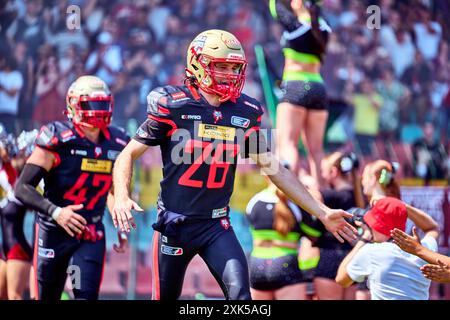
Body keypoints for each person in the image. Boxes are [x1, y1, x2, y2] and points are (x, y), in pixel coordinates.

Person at [111, 29, 357, 300]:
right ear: (197, 64)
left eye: (234, 67)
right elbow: (126, 155)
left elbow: (274, 169)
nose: (229, 73)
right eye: (221, 66)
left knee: (242, 298)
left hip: (216, 225)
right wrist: (121, 196)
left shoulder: (243, 111)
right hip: (175, 222)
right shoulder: (175, 105)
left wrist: (321, 212)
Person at [14, 75, 129, 300]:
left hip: (90, 233)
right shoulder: (58, 138)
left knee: (85, 297)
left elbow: (113, 189)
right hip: (54, 231)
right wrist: (56, 212)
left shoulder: (118, 142)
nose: (98, 110)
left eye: (102, 104)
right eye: (91, 104)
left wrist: (120, 222)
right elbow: (23, 187)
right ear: (73, 104)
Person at [335, 160, 439, 300]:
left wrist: (364, 239)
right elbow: (432, 227)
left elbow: (341, 279)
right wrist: (401, 206)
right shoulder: (424, 250)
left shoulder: (372, 252)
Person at [269, 0, 331, 185]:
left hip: (295, 85)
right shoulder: (325, 27)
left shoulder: (295, 26)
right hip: (318, 87)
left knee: (288, 144)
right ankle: (322, 193)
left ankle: (288, 193)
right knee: (317, 150)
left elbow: (274, 7)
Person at [245, 165, 316, 300]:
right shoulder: (296, 204)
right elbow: (314, 234)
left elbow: (252, 229)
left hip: (256, 265)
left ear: (266, 176)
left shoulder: (254, 202)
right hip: (285, 264)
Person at [305, 152, 368, 300]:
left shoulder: (332, 196)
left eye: (323, 171)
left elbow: (305, 197)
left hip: (330, 256)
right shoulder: (360, 196)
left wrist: (307, 183)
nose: (322, 174)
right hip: (352, 258)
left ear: (333, 172)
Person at [0, 129, 37, 299]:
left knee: (14, 296)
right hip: (4, 249)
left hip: (18, 249)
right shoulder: (5, 179)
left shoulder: (21, 184)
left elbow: (12, 176)